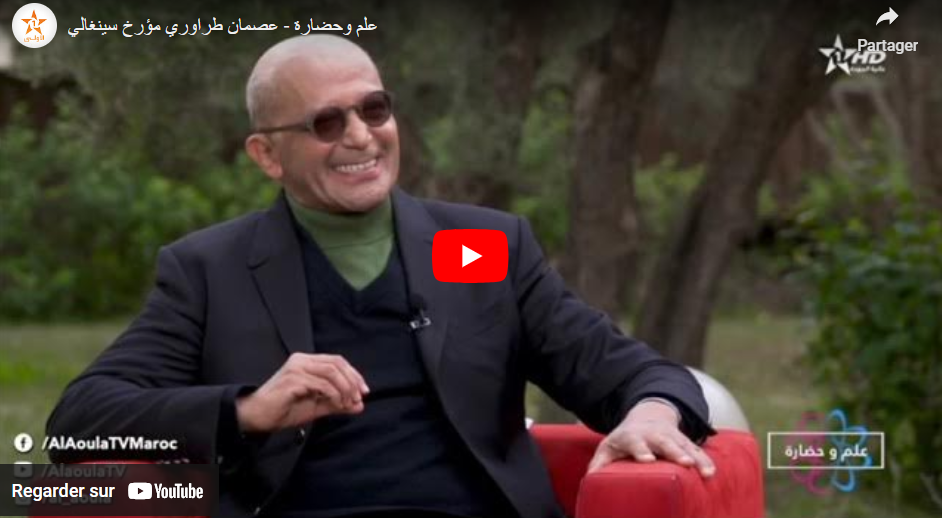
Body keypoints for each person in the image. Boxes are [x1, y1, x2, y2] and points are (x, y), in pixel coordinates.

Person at [47, 35, 716, 518]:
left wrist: (651, 413)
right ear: (267, 155)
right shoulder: (210, 270)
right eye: (326, 122)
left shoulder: (480, 247)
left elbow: (630, 371)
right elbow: (79, 422)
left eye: (374, 109)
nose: (362, 137)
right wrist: (248, 409)